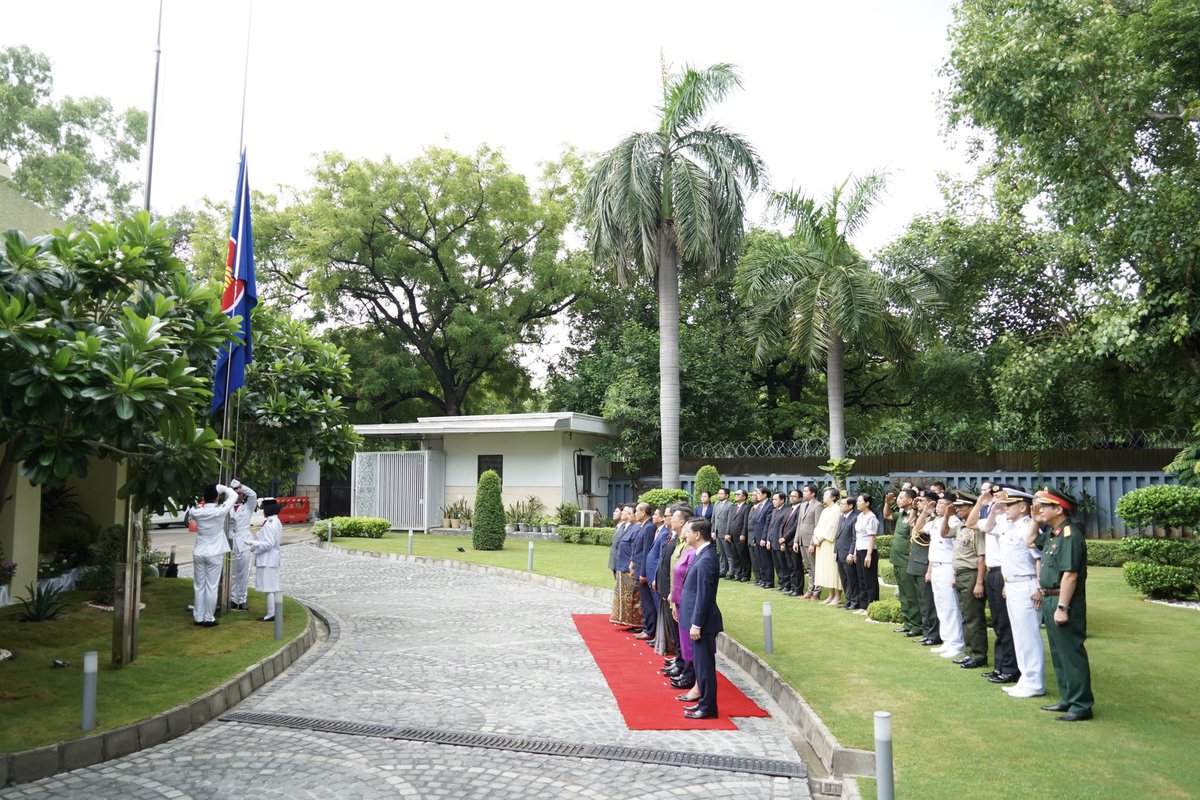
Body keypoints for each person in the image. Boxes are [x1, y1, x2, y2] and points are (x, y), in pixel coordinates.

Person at [1034, 488, 1095, 721]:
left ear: (1059, 509)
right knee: (1059, 653)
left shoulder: (1069, 534)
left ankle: (1081, 705)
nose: (1040, 509)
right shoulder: (1053, 533)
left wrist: (1062, 607)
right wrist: (1035, 519)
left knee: (1071, 652)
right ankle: (1067, 698)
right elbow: (1031, 541)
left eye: (1045, 506)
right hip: (1050, 596)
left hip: (1063, 599)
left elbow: (1070, 575)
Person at [994, 487, 1045, 698]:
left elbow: (1039, 558)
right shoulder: (1011, 528)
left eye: (1009, 505)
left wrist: (1039, 587)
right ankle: (1026, 679)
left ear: (1023, 507)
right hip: (1013, 584)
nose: (1005, 508)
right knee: (1019, 635)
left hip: (1027, 584)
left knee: (1029, 635)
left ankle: (1035, 682)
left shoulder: (1028, 528)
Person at [678, 517, 723, 719]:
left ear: (697, 534)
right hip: (695, 619)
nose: (684, 534)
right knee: (700, 665)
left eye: (688, 531)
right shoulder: (700, 554)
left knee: (705, 667)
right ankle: (704, 704)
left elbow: (704, 595)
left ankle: (708, 707)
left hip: (703, 623)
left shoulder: (706, 558)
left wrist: (696, 624)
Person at [189, 483, 236, 627]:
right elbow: (233, 495)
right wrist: (222, 488)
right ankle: (208, 618)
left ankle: (198, 617)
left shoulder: (196, 511)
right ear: (217, 497)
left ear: (204, 497)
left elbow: (192, 512)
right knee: (211, 586)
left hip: (199, 551)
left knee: (199, 586)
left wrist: (212, 495)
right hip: (214, 553)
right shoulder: (220, 510)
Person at [951, 491, 988, 669]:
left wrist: (979, 582)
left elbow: (982, 557)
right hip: (961, 573)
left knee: (973, 616)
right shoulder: (961, 527)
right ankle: (970, 652)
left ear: (973, 508)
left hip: (972, 573)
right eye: (956, 506)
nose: (957, 509)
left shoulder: (976, 530)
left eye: (961, 506)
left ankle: (979, 655)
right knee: (966, 614)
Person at [926, 492, 965, 659]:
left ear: (950, 506)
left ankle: (956, 643)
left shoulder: (954, 522)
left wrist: (955, 573)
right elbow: (919, 528)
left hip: (948, 567)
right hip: (936, 567)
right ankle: (947, 640)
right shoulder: (936, 521)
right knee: (941, 606)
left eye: (942, 504)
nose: (938, 506)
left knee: (950, 607)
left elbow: (957, 550)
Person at [885, 489, 922, 635]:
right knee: (903, 595)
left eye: (901, 497)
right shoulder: (901, 514)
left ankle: (916, 626)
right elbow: (887, 515)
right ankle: (907, 623)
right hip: (897, 559)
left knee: (911, 595)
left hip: (907, 560)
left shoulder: (914, 516)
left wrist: (914, 509)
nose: (898, 499)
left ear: (910, 500)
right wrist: (887, 503)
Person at [669, 510, 698, 693]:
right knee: (683, 640)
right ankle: (686, 672)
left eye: (687, 529)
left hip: (688, 602)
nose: (684, 533)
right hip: (679, 599)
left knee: (688, 642)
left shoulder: (695, 553)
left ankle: (690, 677)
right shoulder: (686, 548)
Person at [909, 491, 942, 646]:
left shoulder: (935, 520)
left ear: (931, 504)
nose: (917, 502)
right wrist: (919, 510)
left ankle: (934, 634)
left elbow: (918, 529)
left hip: (924, 563)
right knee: (922, 602)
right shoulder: (926, 518)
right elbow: (913, 525)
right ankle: (927, 631)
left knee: (929, 603)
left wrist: (925, 512)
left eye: (921, 500)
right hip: (916, 562)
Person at [247, 497, 282, 621]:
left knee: (269, 588)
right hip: (271, 558)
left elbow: (268, 543)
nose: (263, 511)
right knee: (272, 587)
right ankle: (272, 612)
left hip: (268, 559)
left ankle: (271, 614)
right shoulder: (274, 521)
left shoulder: (270, 523)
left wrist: (253, 543)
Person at [228, 479, 258, 611]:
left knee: (243, 573)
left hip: (244, 541)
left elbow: (253, 495)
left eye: (239, 493)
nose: (237, 495)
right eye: (235, 493)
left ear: (242, 495)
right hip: (231, 541)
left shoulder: (248, 507)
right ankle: (234, 599)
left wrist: (240, 486)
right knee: (233, 573)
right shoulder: (227, 506)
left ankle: (243, 600)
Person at [630, 503, 658, 640]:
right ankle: (646, 627)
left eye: (637, 511)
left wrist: (643, 572)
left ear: (643, 512)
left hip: (644, 569)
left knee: (647, 602)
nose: (635, 513)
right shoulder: (643, 526)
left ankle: (649, 629)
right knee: (644, 601)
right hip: (639, 566)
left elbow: (646, 551)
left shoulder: (648, 528)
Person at [811, 487, 843, 605]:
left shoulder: (837, 509)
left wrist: (821, 538)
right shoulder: (825, 510)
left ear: (833, 497)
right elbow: (818, 526)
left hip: (830, 543)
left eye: (826, 494)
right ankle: (830, 595)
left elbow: (832, 528)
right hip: (821, 544)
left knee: (833, 569)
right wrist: (815, 537)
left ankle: (837, 596)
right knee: (825, 569)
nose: (824, 496)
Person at [851, 493, 881, 613]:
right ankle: (863, 606)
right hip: (859, 549)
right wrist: (854, 552)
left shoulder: (871, 517)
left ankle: (871, 606)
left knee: (870, 579)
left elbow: (872, 537)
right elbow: (857, 536)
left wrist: (868, 555)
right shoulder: (860, 516)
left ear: (867, 503)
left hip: (868, 550)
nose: (857, 503)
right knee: (861, 578)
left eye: (860, 501)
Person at [795, 483, 822, 599]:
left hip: (810, 541)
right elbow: (799, 524)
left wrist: (813, 543)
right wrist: (796, 540)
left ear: (813, 493)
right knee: (808, 568)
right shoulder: (802, 505)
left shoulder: (818, 506)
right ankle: (810, 591)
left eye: (806, 491)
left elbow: (817, 526)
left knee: (815, 567)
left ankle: (816, 591)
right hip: (801, 540)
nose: (804, 493)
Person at [834, 495, 859, 610]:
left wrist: (851, 553)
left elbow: (855, 538)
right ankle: (849, 599)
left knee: (852, 579)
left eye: (843, 504)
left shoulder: (855, 518)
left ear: (850, 506)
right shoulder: (841, 518)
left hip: (848, 553)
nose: (840, 506)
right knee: (844, 578)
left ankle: (855, 601)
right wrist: (835, 551)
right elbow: (837, 536)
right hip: (840, 553)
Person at [749, 487, 774, 588]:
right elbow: (756, 523)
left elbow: (767, 523)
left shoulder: (769, 506)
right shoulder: (759, 506)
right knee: (760, 560)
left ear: (765, 495)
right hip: (757, 536)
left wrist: (764, 538)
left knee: (766, 560)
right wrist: (755, 538)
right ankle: (763, 579)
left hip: (763, 537)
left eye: (759, 493)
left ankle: (769, 581)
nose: (757, 495)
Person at [727, 489, 751, 582]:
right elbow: (729, 522)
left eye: (738, 494)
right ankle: (738, 573)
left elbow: (745, 522)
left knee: (743, 556)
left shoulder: (747, 507)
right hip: (732, 535)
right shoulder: (733, 507)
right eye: (735, 494)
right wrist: (727, 533)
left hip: (740, 535)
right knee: (735, 556)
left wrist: (743, 534)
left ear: (744, 497)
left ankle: (745, 575)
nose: (736, 495)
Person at [712, 488, 735, 578]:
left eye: (721, 493)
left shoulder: (730, 505)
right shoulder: (716, 504)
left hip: (725, 532)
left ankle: (731, 572)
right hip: (717, 532)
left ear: (727, 495)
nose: (719, 495)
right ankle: (722, 571)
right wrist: (713, 531)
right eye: (719, 493)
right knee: (721, 553)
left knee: (729, 553)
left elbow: (730, 521)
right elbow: (713, 519)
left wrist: (728, 532)